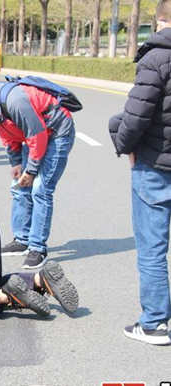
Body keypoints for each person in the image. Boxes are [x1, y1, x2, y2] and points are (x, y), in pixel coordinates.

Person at [0, 66, 76, 269]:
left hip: (56, 132)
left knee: (40, 189)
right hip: (33, 135)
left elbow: (37, 134)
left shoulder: (14, 100)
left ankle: (37, 247)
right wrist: (17, 163)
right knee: (19, 187)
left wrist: (31, 170)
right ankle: (22, 240)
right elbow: (6, 133)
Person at [109, 0, 171, 346]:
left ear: (159, 22)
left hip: (156, 166)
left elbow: (135, 117)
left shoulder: (156, 57)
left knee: (152, 249)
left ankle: (154, 324)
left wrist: (124, 145)